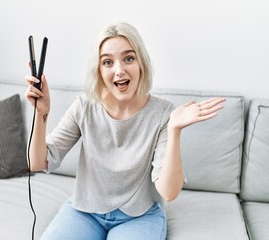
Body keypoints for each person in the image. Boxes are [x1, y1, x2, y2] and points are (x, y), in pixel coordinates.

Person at [25, 22, 225, 240]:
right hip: (85, 211)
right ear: (99, 71)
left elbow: (169, 191)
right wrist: (41, 113)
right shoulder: (84, 107)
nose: (119, 70)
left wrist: (174, 129)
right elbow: (38, 162)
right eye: (108, 62)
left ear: (141, 63)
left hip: (139, 217)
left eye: (128, 58)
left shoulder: (162, 113)